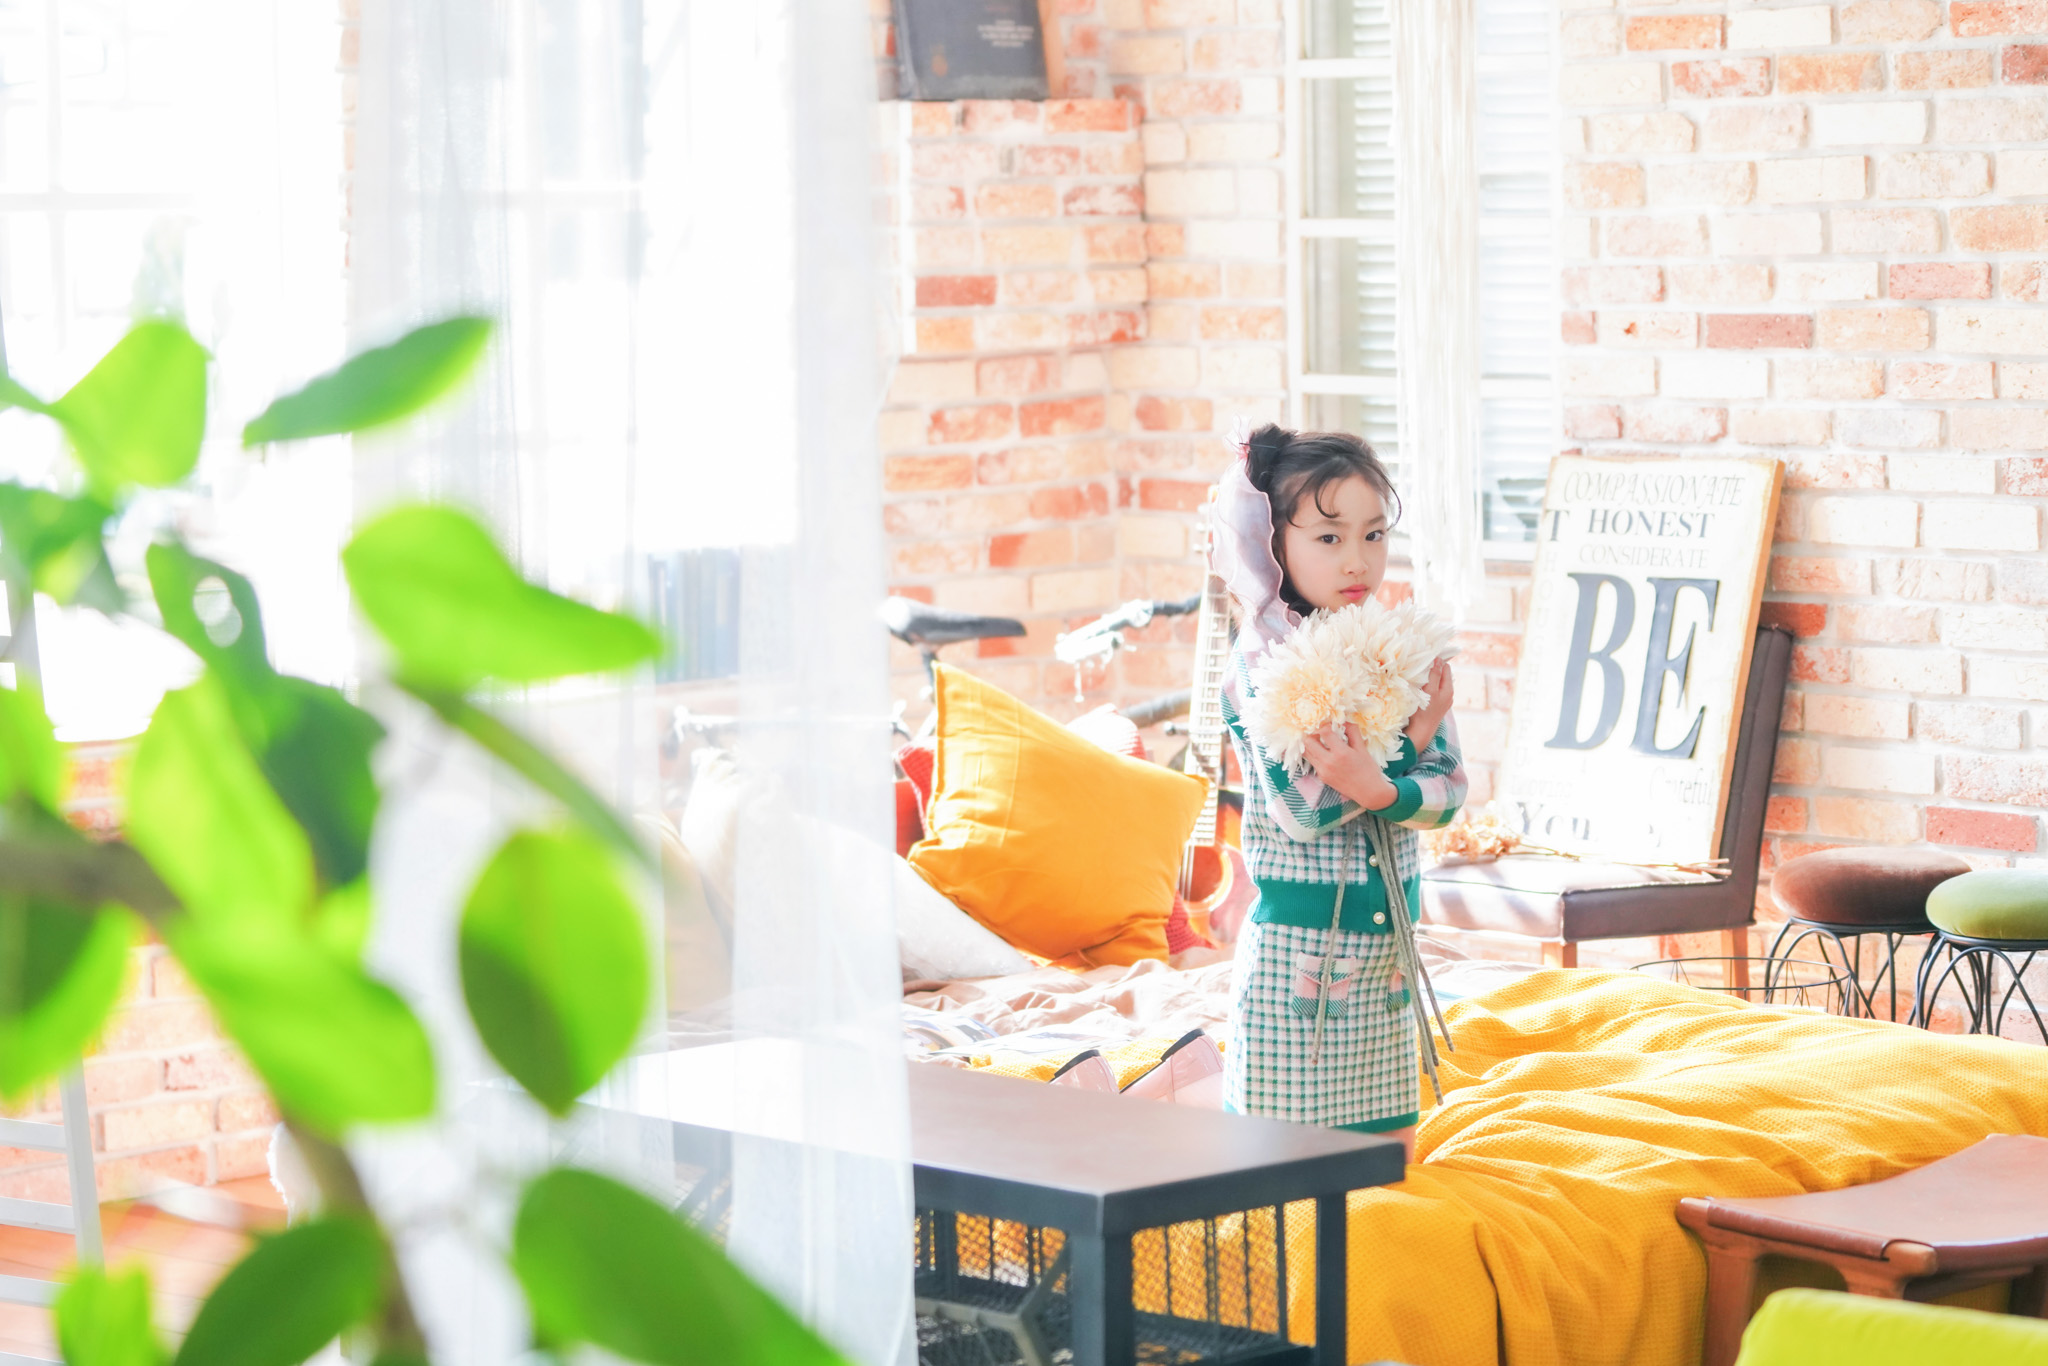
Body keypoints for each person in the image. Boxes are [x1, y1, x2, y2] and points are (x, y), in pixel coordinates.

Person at [1211, 422, 1465, 1159]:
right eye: (1328, 538)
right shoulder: (1259, 668)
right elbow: (1303, 811)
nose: (1359, 560)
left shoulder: (1404, 649)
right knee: (1278, 1167)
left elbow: (1449, 793)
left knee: (1388, 1163)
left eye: (1374, 534)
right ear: (1273, 547)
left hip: (1388, 956)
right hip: (1297, 962)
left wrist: (1383, 781)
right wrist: (1406, 749)